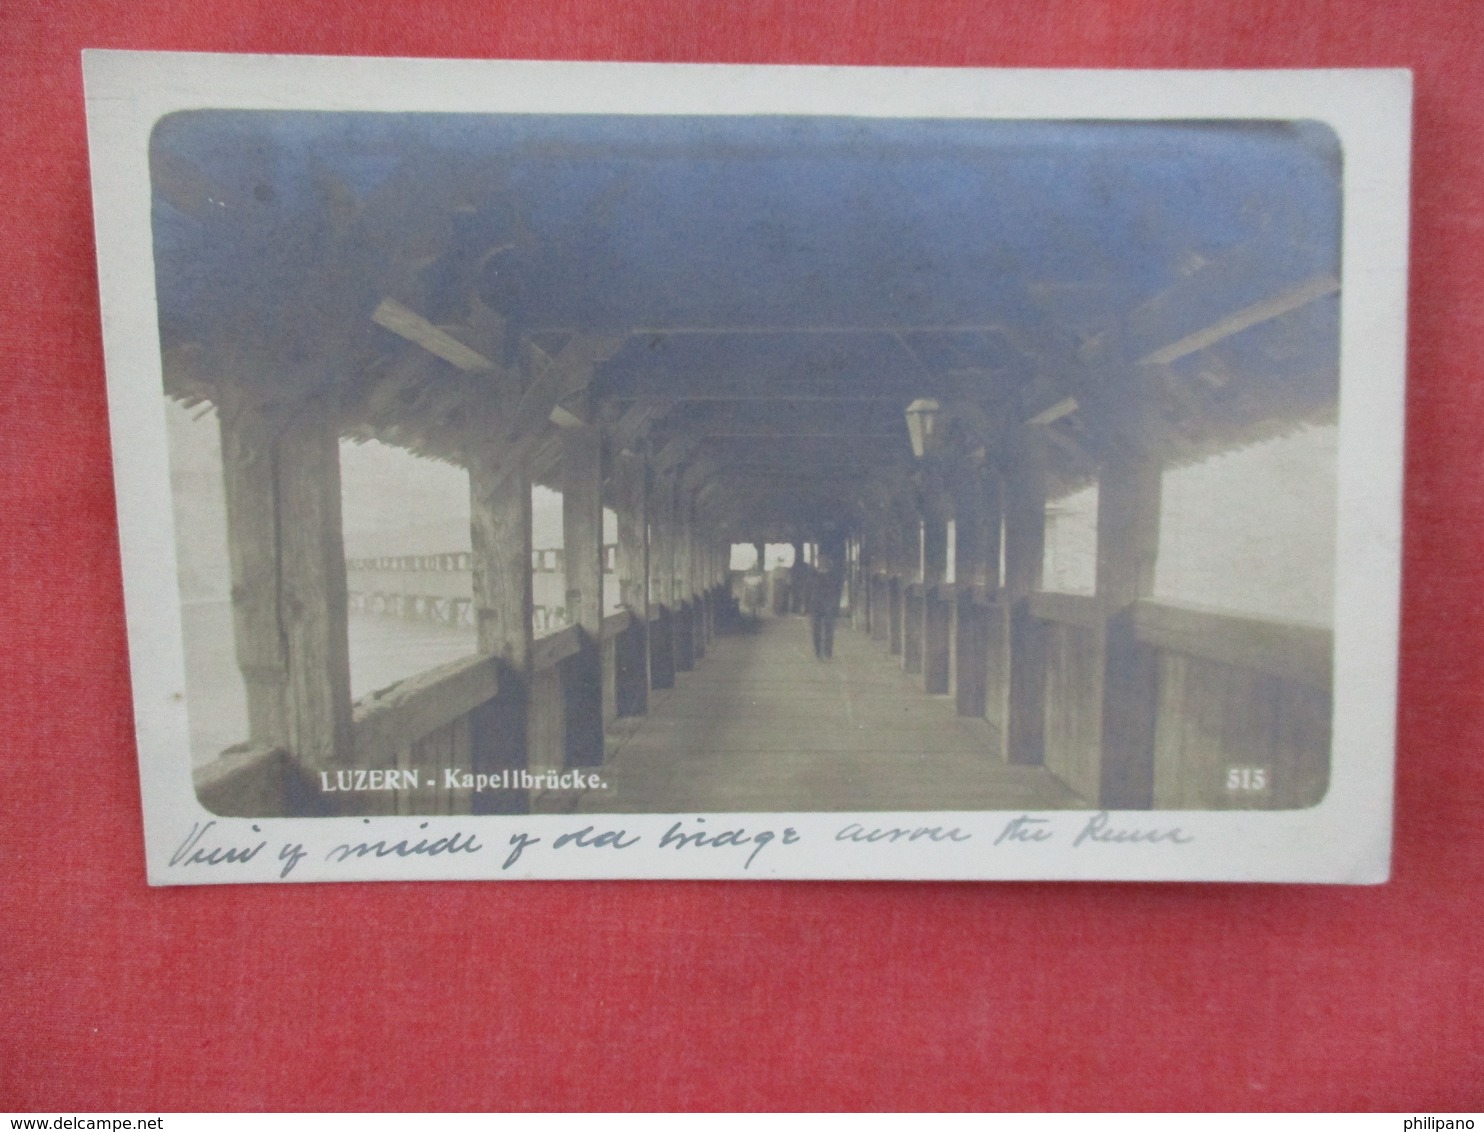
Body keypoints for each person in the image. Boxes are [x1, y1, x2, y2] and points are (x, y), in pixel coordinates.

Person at [809, 553, 844, 660]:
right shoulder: (813, 574)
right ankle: (818, 652)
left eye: (823, 560)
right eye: (819, 560)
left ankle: (827, 652)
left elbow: (837, 591)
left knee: (828, 628)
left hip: (828, 603)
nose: (821, 562)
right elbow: (808, 590)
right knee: (816, 629)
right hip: (816, 604)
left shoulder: (833, 575)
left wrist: (836, 604)